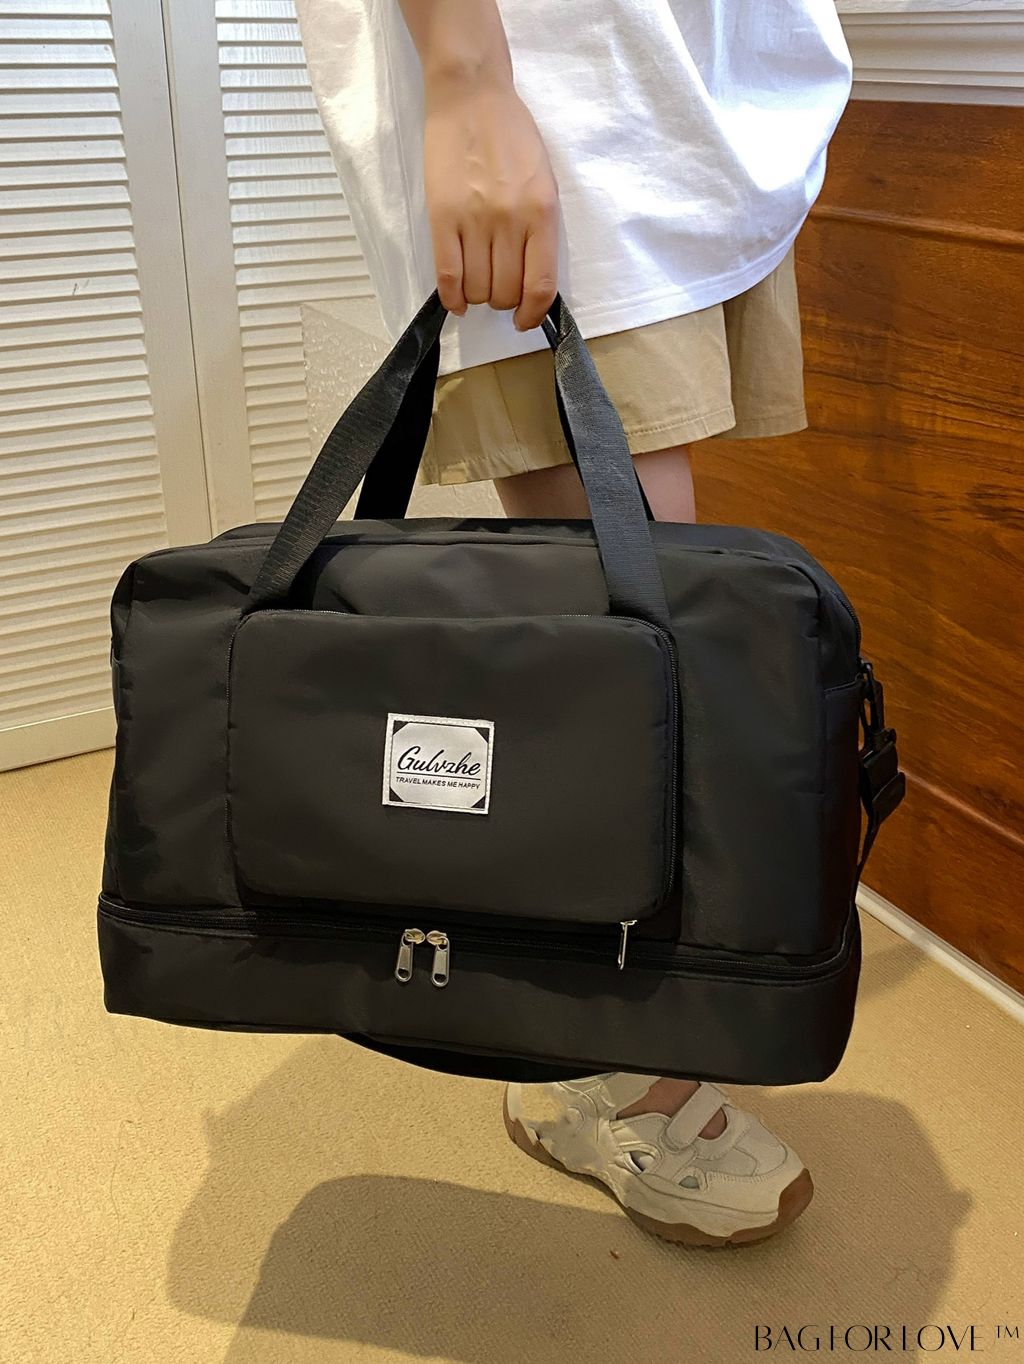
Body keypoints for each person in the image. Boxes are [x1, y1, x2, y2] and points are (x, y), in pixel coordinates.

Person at [295, 0, 852, 1246]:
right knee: (626, 637)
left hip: (690, 91)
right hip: (555, 82)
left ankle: (603, 1009)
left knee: (648, 609)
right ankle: (603, 1064)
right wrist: (465, 71)